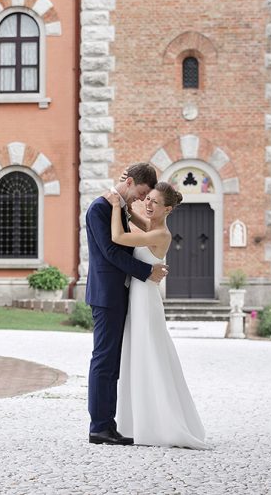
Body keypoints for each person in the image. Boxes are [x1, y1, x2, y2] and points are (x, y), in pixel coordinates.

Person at [106, 181, 209, 449]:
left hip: (145, 301)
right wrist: (126, 201)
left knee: (149, 352)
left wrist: (116, 205)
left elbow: (118, 237)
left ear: (168, 209)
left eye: (154, 202)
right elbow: (133, 214)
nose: (148, 204)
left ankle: (160, 421)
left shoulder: (160, 234)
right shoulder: (152, 226)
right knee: (141, 353)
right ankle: (140, 419)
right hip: (138, 296)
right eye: (148, 199)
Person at [85, 162, 168, 446]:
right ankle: (99, 426)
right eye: (141, 193)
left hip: (119, 294)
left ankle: (108, 424)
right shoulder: (99, 208)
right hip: (106, 295)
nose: (140, 199)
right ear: (130, 182)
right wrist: (147, 272)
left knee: (112, 362)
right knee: (104, 360)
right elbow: (109, 252)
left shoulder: (118, 207)